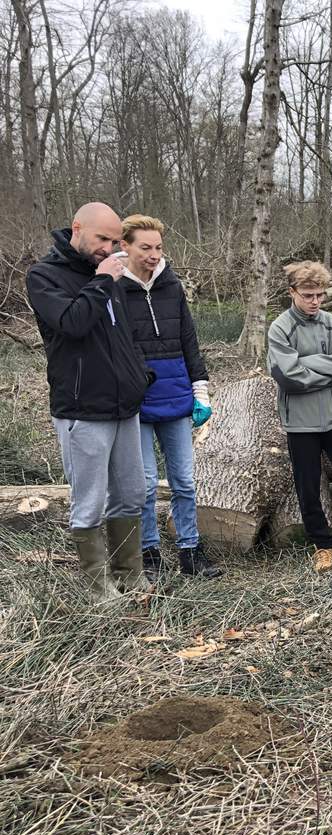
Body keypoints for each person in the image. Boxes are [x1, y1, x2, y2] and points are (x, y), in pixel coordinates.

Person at [26, 202, 154, 599]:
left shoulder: (111, 278)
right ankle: (99, 589)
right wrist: (100, 281)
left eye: (116, 241)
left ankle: (129, 573)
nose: (110, 248)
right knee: (90, 501)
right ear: (77, 229)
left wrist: (139, 376)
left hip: (124, 407)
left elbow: (122, 336)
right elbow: (73, 324)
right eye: (103, 239)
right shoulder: (44, 276)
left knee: (133, 493)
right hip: (82, 411)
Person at [120, 215, 221, 580]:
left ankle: (190, 552)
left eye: (158, 247)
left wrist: (200, 390)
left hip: (177, 395)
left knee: (184, 481)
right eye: (145, 247)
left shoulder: (171, 285)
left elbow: (189, 340)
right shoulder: (114, 288)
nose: (153, 254)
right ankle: (149, 554)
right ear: (125, 246)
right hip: (137, 401)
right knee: (145, 483)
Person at [267, 261, 332, 574]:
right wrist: (328, 370)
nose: (315, 301)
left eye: (320, 295)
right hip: (301, 422)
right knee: (308, 486)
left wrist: (308, 363)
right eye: (308, 295)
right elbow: (289, 377)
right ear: (292, 292)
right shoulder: (281, 328)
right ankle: (323, 546)